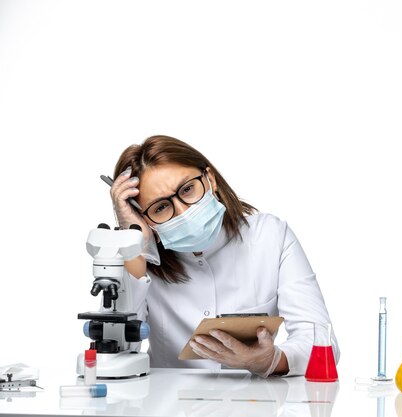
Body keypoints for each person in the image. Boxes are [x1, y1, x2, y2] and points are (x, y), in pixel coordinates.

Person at [108, 135, 339, 377]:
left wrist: (272, 360)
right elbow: (119, 354)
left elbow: (322, 343)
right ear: (144, 218)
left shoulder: (271, 236)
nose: (184, 212)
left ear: (211, 180)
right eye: (161, 207)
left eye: (188, 189)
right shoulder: (142, 260)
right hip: (168, 409)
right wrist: (134, 242)